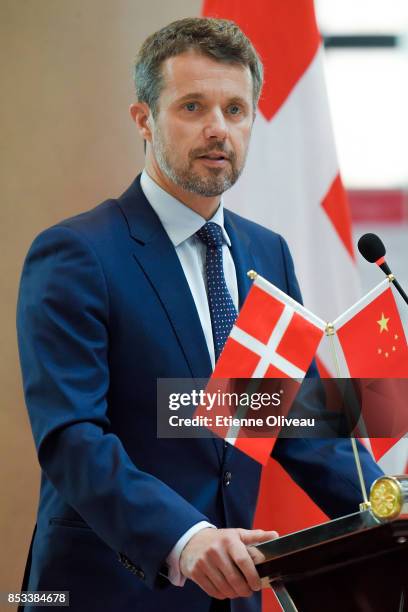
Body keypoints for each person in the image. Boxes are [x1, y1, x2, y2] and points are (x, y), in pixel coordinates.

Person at [17, 17, 382, 612]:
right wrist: (185, 540)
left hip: (236, 593)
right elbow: (72, 437)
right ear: (144, 119)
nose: (218, 129)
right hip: (101, 590)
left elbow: (294, 417)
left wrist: (388, 501)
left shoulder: (267, 253)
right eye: (193, 106)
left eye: (236, 110)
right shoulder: (77, 254)